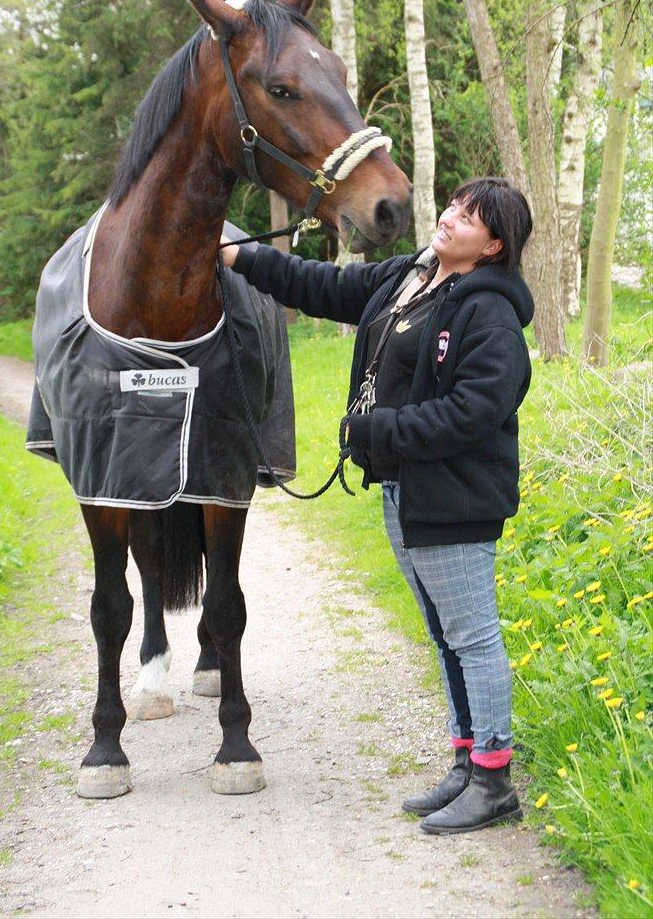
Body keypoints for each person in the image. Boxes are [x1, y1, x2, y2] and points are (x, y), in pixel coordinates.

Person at [220, 177, 534, 834]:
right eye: (452, 205)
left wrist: (374, 433)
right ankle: (464, 761)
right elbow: (322, 286)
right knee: (443, 634)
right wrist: (237, 255)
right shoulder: (412, 275)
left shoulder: (489, 311)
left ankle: (494, 780)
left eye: (469, 218)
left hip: (454, 497)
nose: (449, 218)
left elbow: (475, 411)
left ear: (493, 245)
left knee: (472, 639)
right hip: (404, 489)